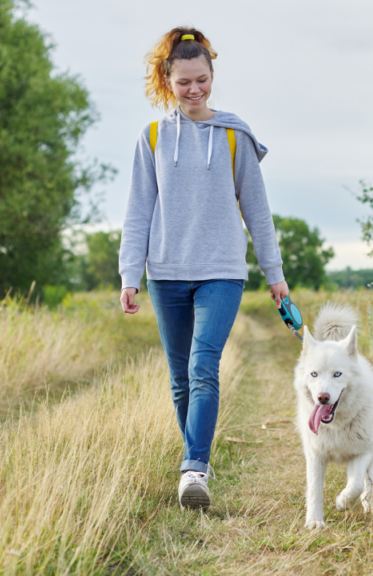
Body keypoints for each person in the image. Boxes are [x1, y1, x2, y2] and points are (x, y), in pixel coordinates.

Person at [118, 27, 288, 510]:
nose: (194, 91)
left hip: (222, 270)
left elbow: (258, 212)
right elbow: (138, 211)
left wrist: (273, 275)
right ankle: (198, 461)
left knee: (202, 365)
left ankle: (194, 467)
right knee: (179, 378)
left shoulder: (235, 136)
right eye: (184, 82)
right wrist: (131, 274)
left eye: (202, 80)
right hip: (166, 272)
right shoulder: (151, 138)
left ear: (213, 75)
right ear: (167, 80)